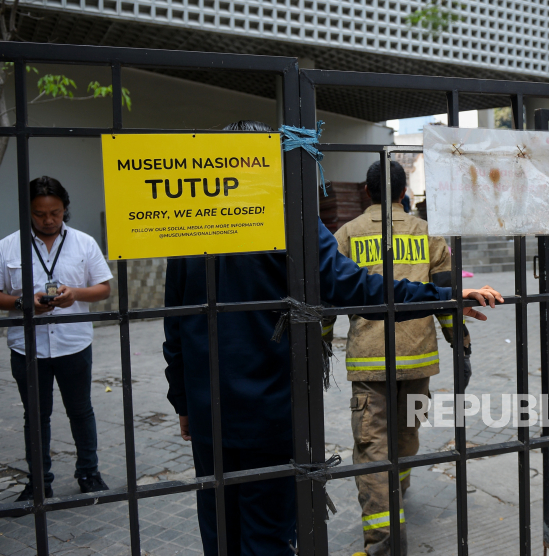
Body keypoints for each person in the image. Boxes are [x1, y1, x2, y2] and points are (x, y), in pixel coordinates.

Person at [162, 120, 503, 555]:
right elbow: (353, 287)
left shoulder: (183, 227)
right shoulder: (283, 217)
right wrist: (445, 298)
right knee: (267, 532)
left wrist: (183, 402)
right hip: (273, 410)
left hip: (209, 408)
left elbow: (174, 325)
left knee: (220, 529)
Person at [322, 160, 477, 556]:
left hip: (369, 362)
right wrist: (460, 345)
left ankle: (384, 543)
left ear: (367, 192)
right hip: (418, 357)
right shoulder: (428, 234)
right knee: (406, 433)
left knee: (373, 447)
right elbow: (446, 297)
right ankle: (399, 489)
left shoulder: (346, 234)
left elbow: (325, 300)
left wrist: (320, 347)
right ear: (403, 192)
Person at [0, 176, 113, 501]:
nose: (48, 219)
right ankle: (40, 481)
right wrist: (24, 303)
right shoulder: (9, 246)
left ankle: (89, 473)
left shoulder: (84, 243)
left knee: (81, 411)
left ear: (64, 208)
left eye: (55, 212)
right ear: (28, 211)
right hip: (28, 348)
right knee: (36, 416)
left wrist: (75, 294)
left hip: (74, 344)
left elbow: (105, 288)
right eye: (40, 214)